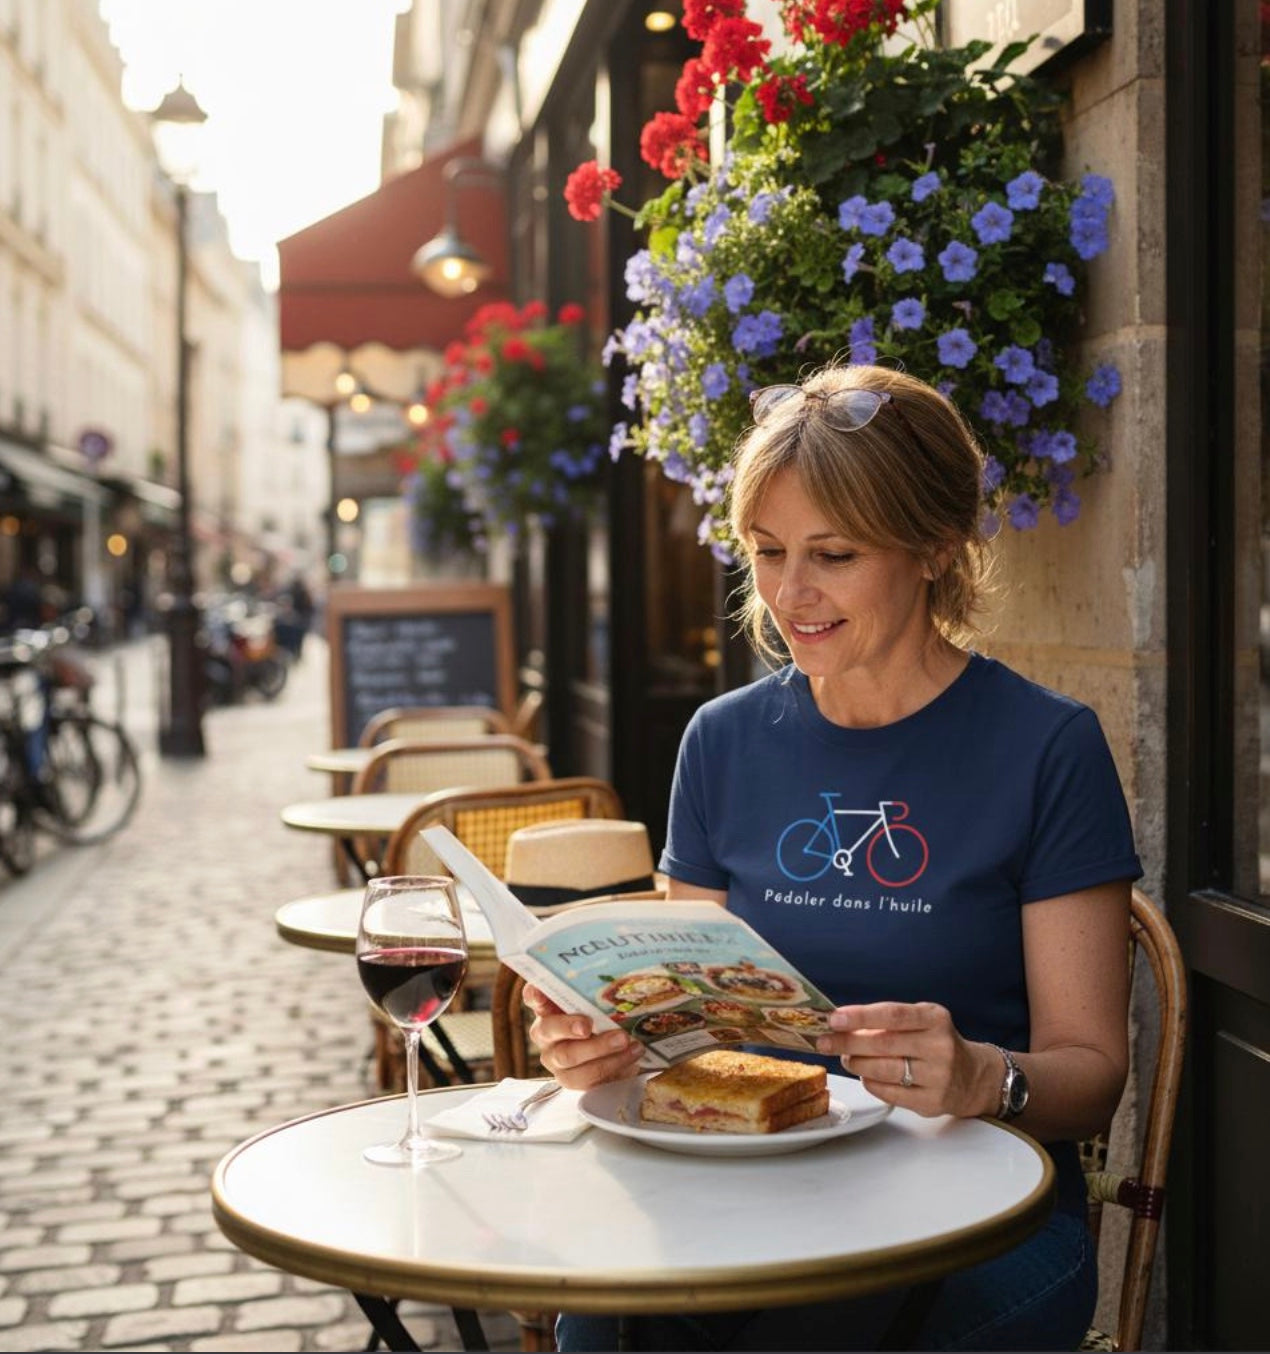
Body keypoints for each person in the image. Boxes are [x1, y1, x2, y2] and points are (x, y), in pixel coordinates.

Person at [526, 364, 1142, 1352]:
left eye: (834, 553)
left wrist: (986, 1075)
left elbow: (1092, 1071)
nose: (789, 593)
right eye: (767, 552)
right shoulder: (719, 742)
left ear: (938, 546)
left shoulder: (1043, 745)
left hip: (974, 1196)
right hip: (749, 1175)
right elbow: (686, 1032)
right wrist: (613, 1049)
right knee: (602, 1322)